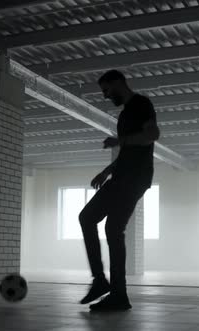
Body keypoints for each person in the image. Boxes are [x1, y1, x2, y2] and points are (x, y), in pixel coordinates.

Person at [79, 69, 160, 311]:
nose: (105, 96)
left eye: (106, 90)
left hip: (135, 178)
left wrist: (120, 141)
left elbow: (152, 135)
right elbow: (128, 153)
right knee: (87, 218)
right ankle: (102, 282)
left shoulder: (141, 104)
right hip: (122, 175)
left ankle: (118, 294)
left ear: (118, 83)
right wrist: (107, 171)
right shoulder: (124, 115)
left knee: (113, 228)